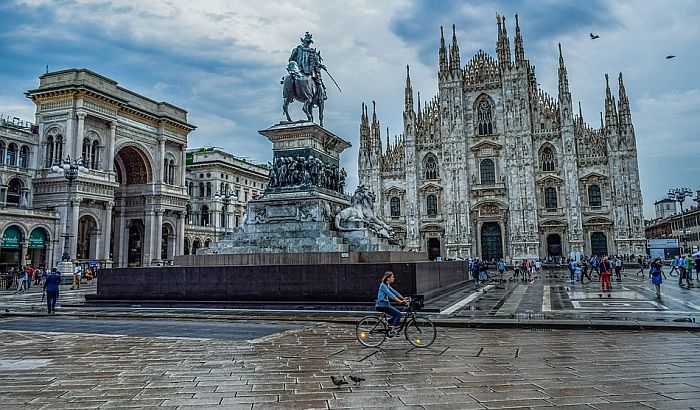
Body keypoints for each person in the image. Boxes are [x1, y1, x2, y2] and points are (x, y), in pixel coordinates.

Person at [288, 32, 327, 102]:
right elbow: (316, 62)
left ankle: (289, 96)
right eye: (307, 42)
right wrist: (321, 66)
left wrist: (321, 65)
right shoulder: (310, 51)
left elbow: (291, 59)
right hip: (308, 71)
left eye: (308, 42)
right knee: (319, 83)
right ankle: (321, 97)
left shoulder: (299, 49)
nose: (307, 43)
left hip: (298, 70)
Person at [375, 271, 407, 337]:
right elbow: (391, 295)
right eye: (392, 277)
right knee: (398, 314)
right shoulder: (383, 286)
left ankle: (388, 323)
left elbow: (395, 292)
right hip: (382, 305)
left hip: (385, 305)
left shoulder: (387, 285)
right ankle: (392, 330)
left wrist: (403, 298)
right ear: (388, 278)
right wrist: (400, 301)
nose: (394, 278)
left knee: (396, 314)